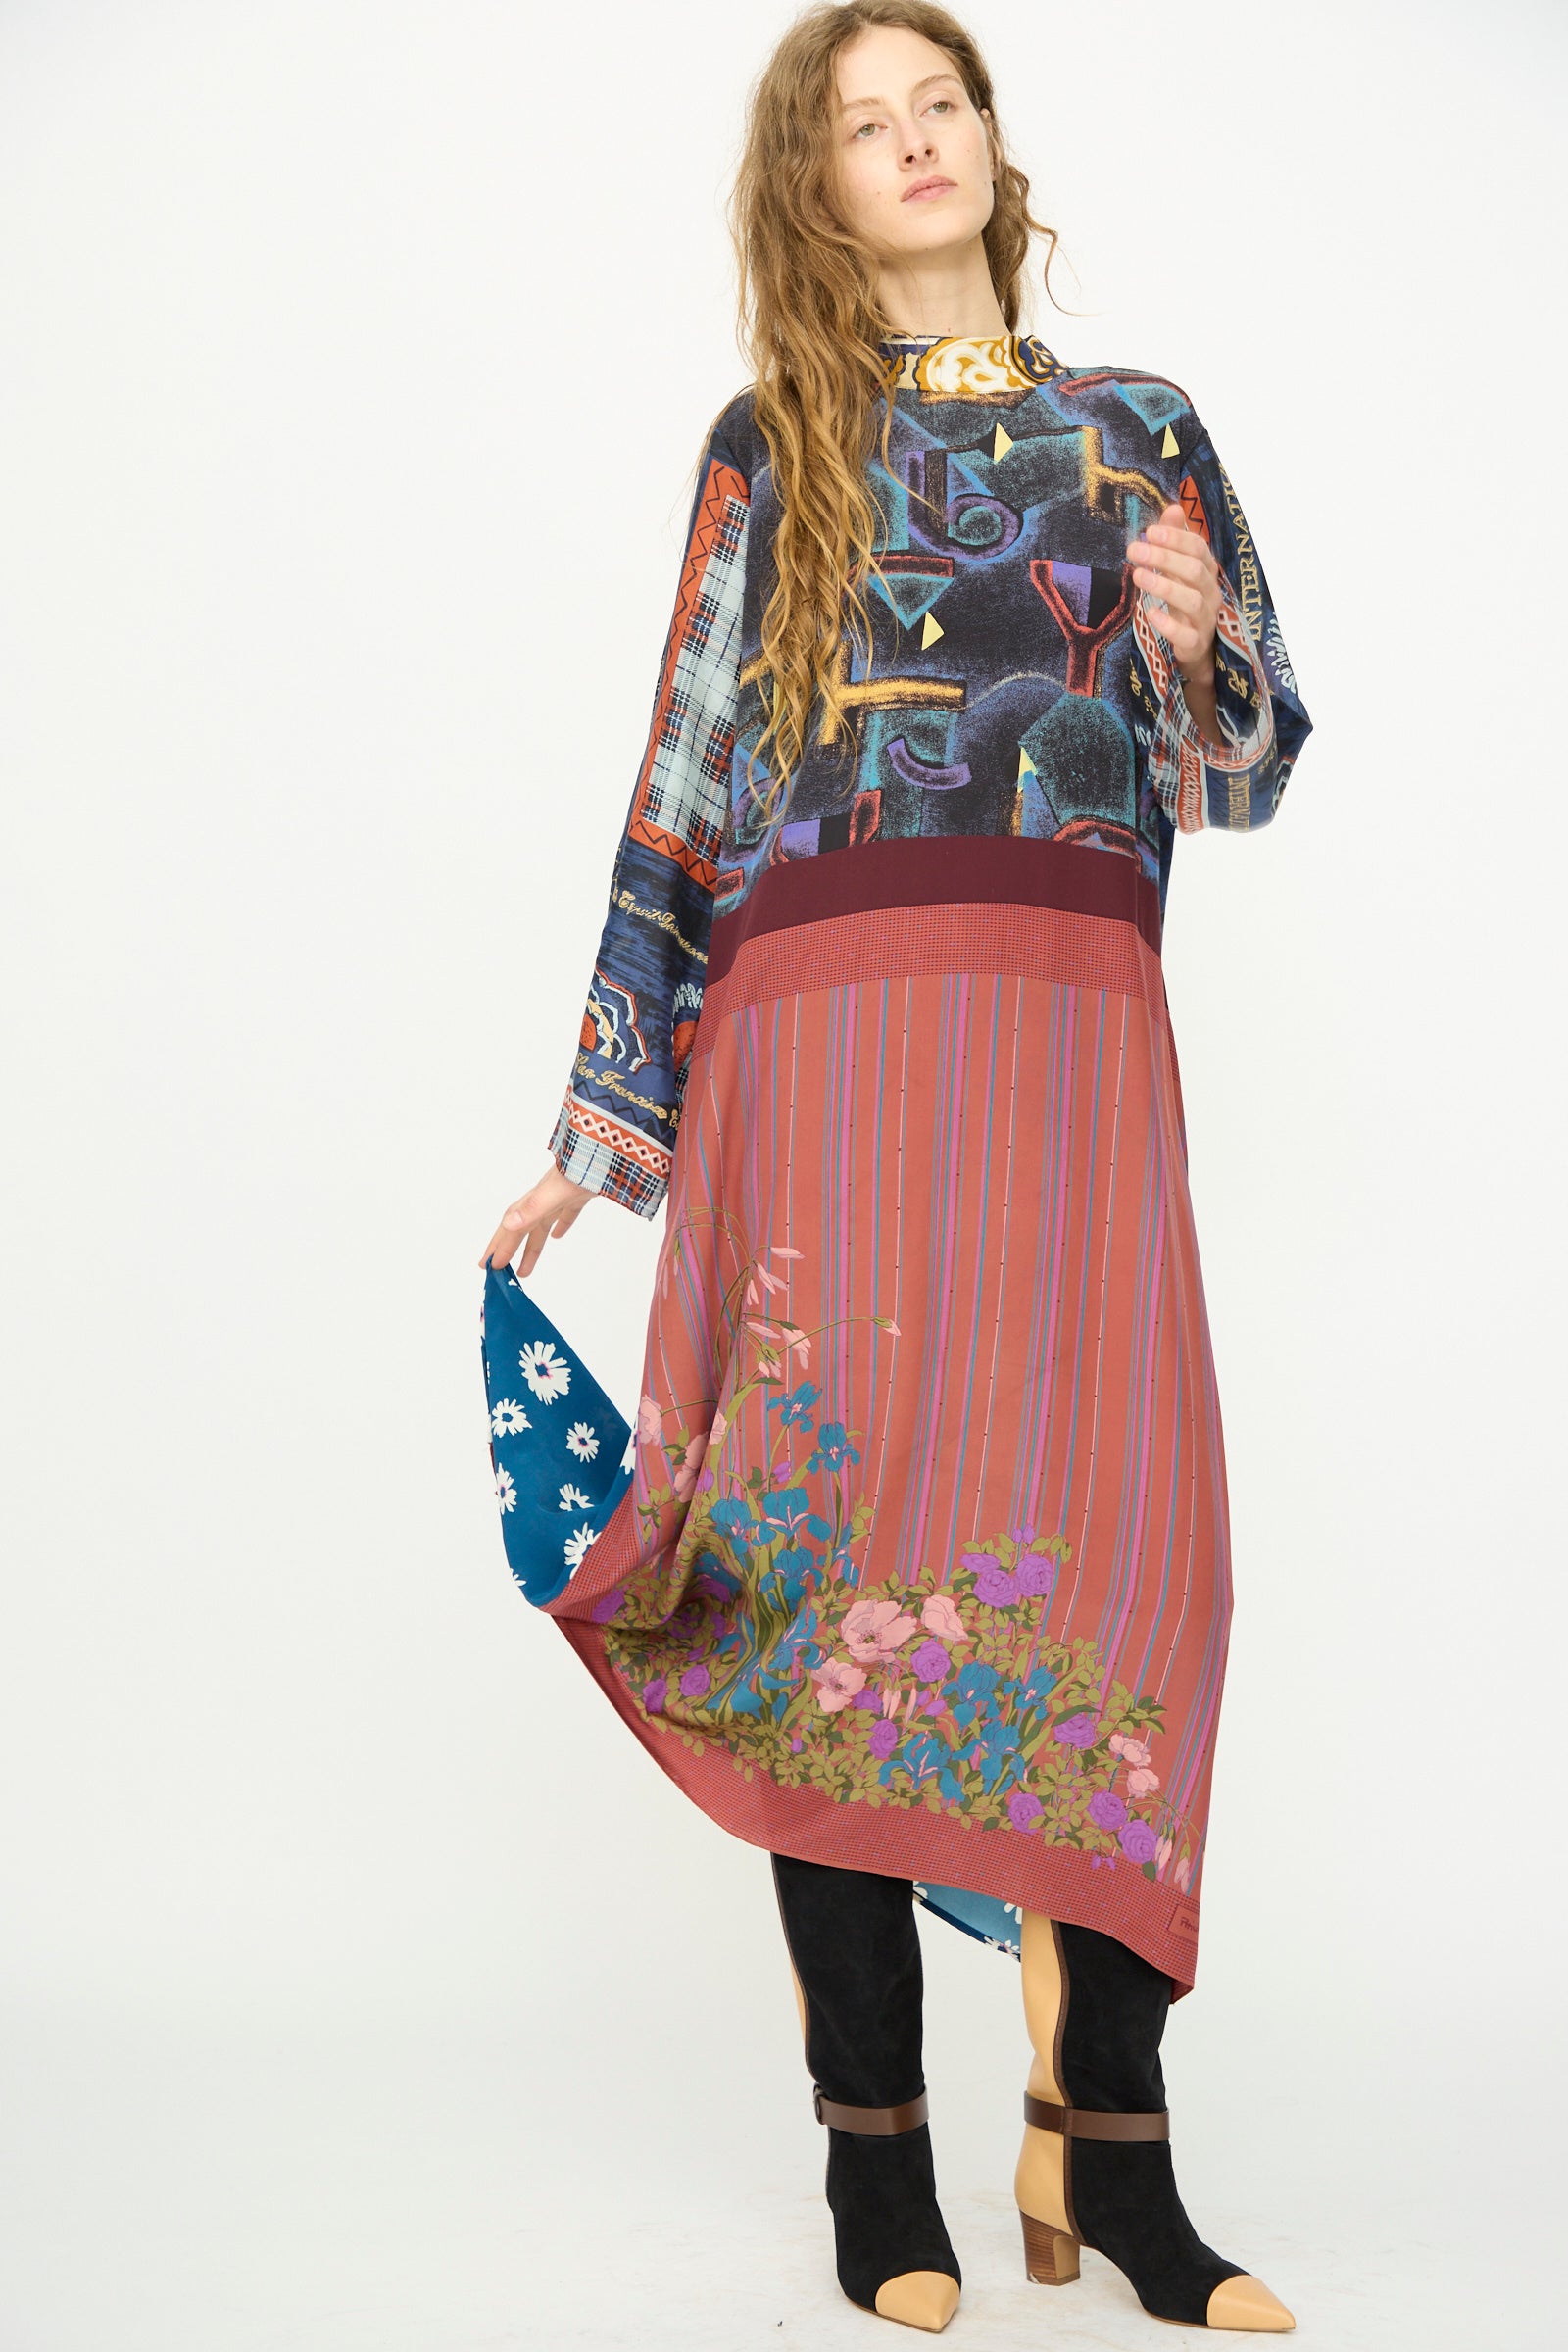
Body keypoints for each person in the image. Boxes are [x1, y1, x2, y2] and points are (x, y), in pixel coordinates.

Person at [478, 1, 1311, 2333]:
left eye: (937, 102)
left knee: (1127, 1563)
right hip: (816, 1051)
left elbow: (1242, 769)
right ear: (815, 186)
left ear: (985, 143)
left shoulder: (1138, 428)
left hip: (1061, 1048)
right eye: (864, 122)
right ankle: (878, 2161)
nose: (913, 140)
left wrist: (1193, 642)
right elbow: (691, 766)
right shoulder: (772, 442)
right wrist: (601, 1113)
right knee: (816, 1561)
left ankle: (1112, 2158)